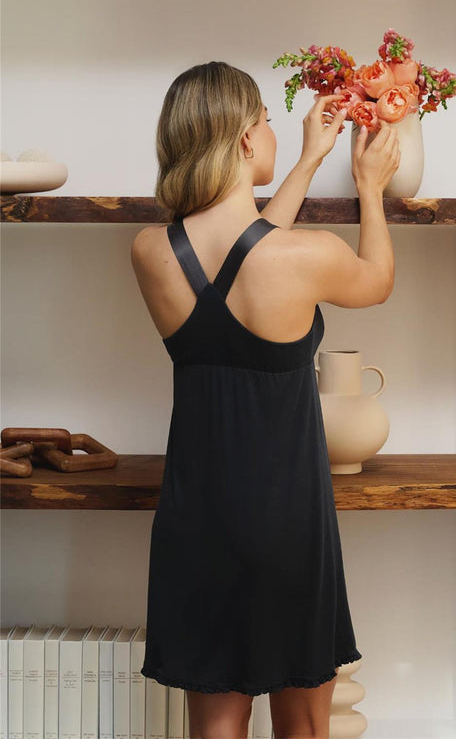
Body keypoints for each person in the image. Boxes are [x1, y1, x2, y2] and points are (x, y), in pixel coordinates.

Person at [131, 61, 398, 739]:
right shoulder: (306, 255)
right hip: (287, 521)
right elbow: (374, 281)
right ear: (247, 140)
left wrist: (307, 160)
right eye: (269, 123)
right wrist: (369, 188)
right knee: (302, 728)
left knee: (215, 728)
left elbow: (242, 253)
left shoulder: (150, 250)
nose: (276, 134)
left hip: (195, 519)